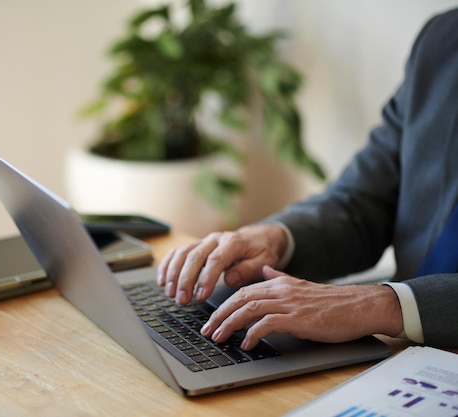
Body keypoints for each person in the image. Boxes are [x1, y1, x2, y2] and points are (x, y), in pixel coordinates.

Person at [157, 8, 458, 351]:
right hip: (401, 352)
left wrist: (381, 305)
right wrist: (275, 238)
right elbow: (361, 203)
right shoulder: (444, 39)